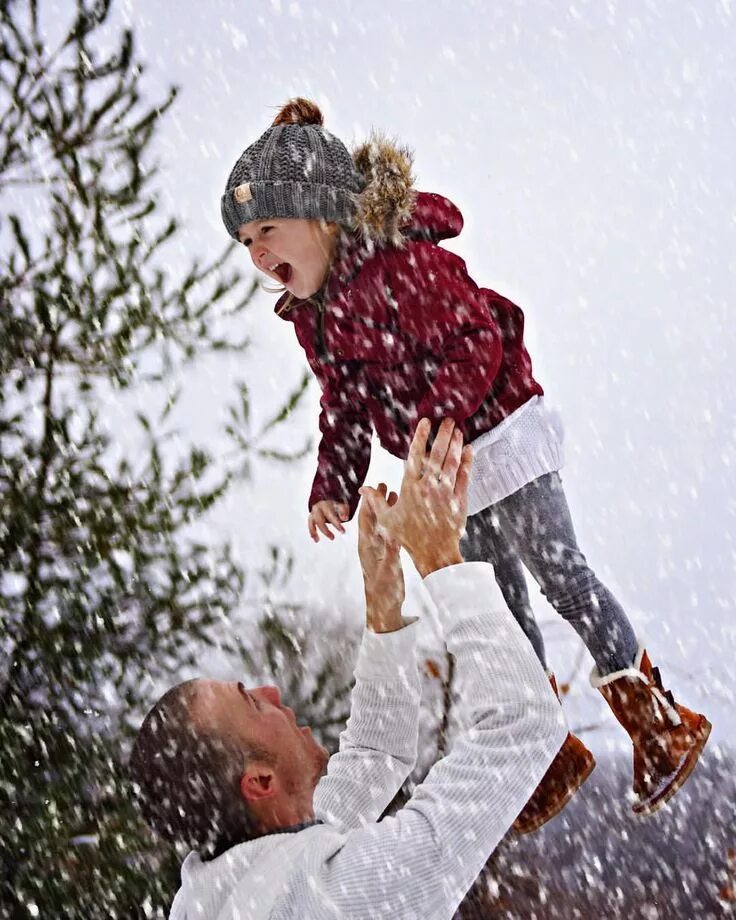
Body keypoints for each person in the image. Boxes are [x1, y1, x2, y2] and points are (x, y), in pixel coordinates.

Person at [218, 97, 711, 828]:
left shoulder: (405, 263)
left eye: (267, 230)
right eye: (245, 241)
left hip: (499, 434)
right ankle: (545, 747)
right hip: (444, 471)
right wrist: (334, 486)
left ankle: (658, 719)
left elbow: (477, 340)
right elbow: (346, 408)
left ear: (321, 214)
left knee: (560, 575)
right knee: (499, 609)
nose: (258, 253)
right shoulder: (317, 322)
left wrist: (438, 415)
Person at [129, 419, 567, 919]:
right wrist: (441, 559)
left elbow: (374, 757)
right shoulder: (336, 897)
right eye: (251, 702)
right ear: (261, 782)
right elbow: (526, 722)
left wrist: (385, 605)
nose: (271, 692)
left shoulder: (229, 889)